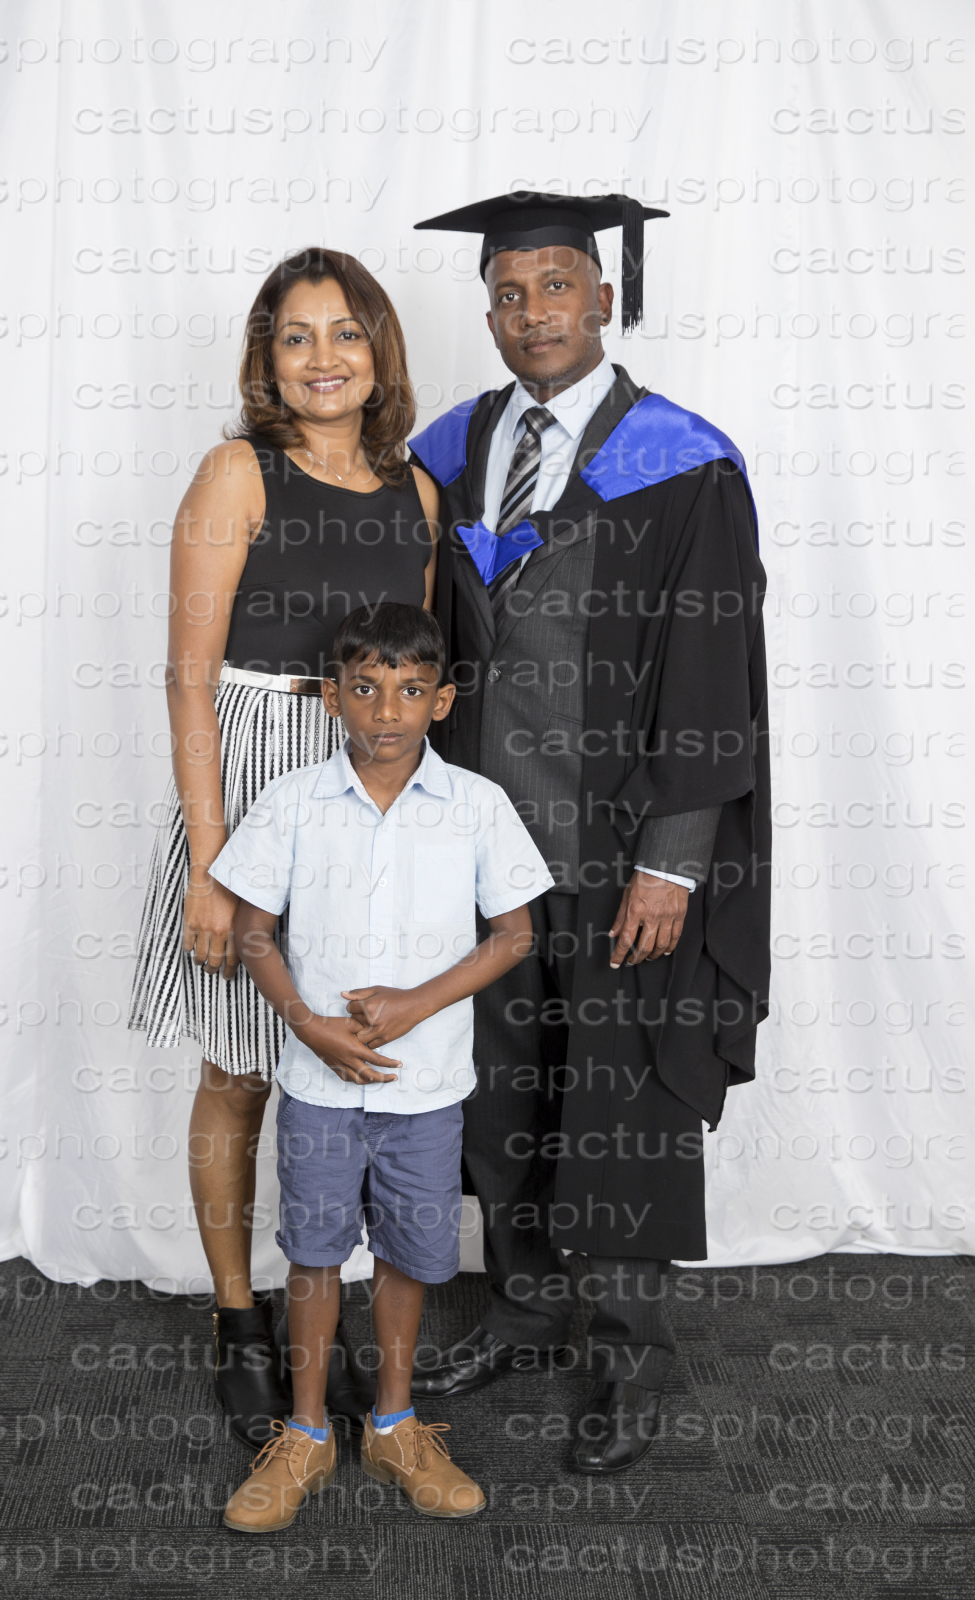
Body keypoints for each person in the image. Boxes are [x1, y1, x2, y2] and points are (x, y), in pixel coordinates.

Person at [405, 192, 771, 1473]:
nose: (531, 313)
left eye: (556, 285)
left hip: (620, 853)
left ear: (604, 298)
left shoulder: (683, 465)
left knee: (618, 1102)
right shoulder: (452, 450)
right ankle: (520, 1307)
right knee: (499, 1088)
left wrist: (675, 859)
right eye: (507, 294)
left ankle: (626, 1350)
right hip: (480, 850)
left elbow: (713, 676)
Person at [129, 249, 441, 1448]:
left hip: (361, 788)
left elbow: (408, 672)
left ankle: (329, 1304)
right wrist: (217, 868)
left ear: (379, 351)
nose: (323, 358)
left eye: (345, 332)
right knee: (242, 1066)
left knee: (348, 1060)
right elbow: (189, 681)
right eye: (295, 335)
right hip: (254, 783)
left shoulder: (414, 493)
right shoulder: (236, 473)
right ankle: (235, 1314)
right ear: (266, 357)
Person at [208, 603, 554, 1532]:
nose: (387, 710)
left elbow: (514, 935)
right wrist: (310, 1028)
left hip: (425, 1088)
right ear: (332, 698)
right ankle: (307, 1433)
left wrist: (413, 1004)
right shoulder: (291, 801)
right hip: (318, 1085)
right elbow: (253, 933)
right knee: (315, 1252)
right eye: (365, 688)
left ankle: (396, 1425)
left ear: (442, 701)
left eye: (410, 690)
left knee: (411, 1252)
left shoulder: (477, 804)